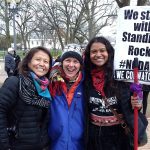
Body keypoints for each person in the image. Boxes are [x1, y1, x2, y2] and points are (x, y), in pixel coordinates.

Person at [84, 36, 146, 150]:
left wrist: (138, 102)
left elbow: (136, 95)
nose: (98, 54)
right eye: (94, 51)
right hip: (93, 136)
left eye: (102, 50)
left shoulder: (121, 76)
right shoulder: (85, 76)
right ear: (89, 55)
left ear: (109, 52)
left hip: (118, 136)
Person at [0, 46, 52, 150]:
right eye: (38, 59)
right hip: (16, 145)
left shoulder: (46, 88)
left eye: (46, 61)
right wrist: (4, 145)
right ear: (28, 62)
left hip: (40, 145)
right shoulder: (14, 83)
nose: (42, 64)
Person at [48, 44, 85, 150]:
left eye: (76, 61)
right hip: (55, 144)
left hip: (79, 145)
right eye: (68, 60)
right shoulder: (50, 81)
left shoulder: (86, 83)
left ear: (80, 64)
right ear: (62, 61)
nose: (71, 65)